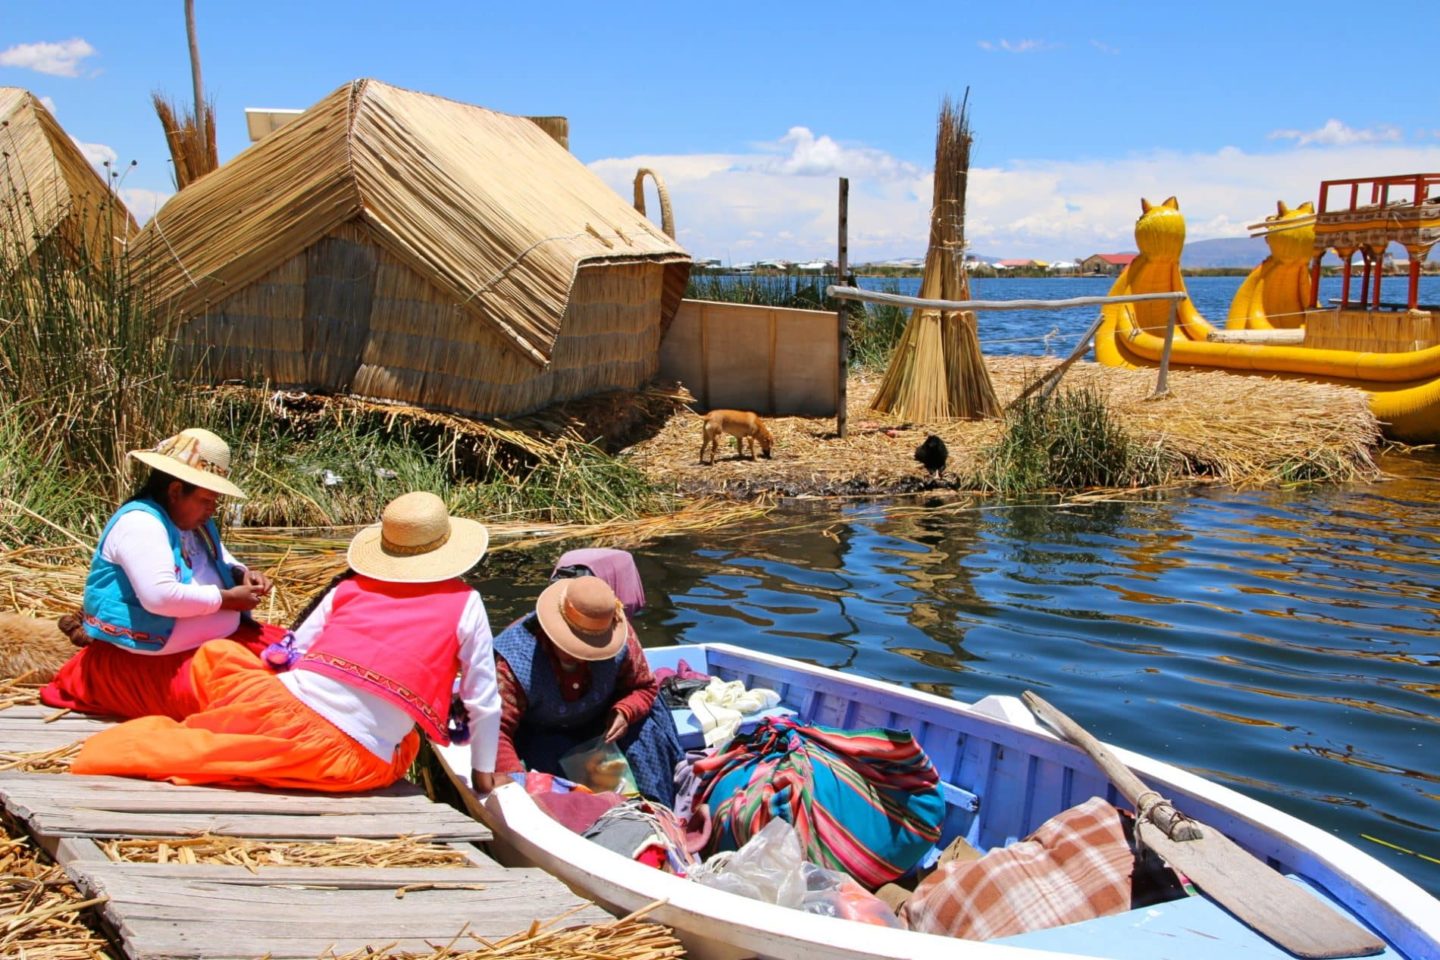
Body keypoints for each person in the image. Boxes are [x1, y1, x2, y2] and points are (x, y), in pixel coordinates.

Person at [71, 491, 503, 794]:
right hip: (352, 758)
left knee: (218, 662)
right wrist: (484, 777)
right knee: (406, 743)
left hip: (283, 709)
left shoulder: (349, 588)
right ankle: (236, 726)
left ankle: (232, 721)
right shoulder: (465, 603)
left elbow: (292, 651)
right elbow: (483, 701)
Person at [41, 428, 282, 720]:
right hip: (154, 664)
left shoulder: (196, 523)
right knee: (256, 704)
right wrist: (226, 600)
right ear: (176, 491)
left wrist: (242, 574)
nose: (212, 509)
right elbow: (160, 597)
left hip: (216, 646)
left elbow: (220, 559)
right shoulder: (140, 524)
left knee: (300, 666)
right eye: (206, 500)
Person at [493, 574, 683, 805]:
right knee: (557, 788)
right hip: (541, 733)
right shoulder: (514, 658)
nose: (583, 655)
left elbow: (644, 687)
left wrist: (624, 712)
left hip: (601, 725)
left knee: (647, 730)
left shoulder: (616, 632)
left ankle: (656, 807)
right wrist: (518, 785)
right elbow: (497, 731)